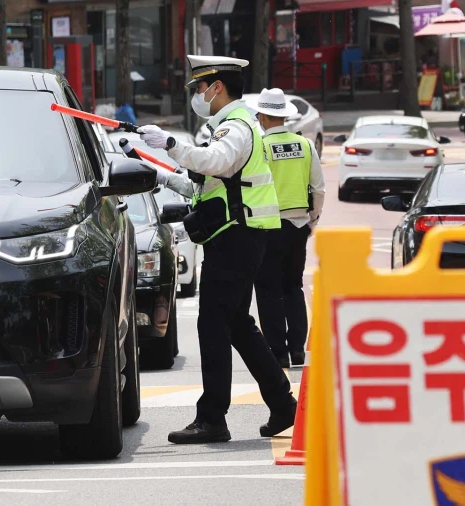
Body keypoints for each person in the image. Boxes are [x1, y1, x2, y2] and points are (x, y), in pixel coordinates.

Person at [139, 55, 298, 445]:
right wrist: (160, 172)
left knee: (212, 324)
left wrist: (171, 143)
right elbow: (204, 184)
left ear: (217, 87)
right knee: (237, 325)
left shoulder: (238, 126)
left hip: (237, 238)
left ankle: (212, 418)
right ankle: (282, 403)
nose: (196, 95)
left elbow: (219, 163)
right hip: (235, 236)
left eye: (199, 88)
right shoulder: (226, 126)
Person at [246, 88, 324, 369]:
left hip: (266, 227)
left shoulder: (260, 147)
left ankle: (277, 352)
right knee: (293, 287)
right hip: (298, 226)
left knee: (267, 289)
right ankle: (298, 350)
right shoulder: (305, 145)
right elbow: (318, 188)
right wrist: (312, 220)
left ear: (265, 116)